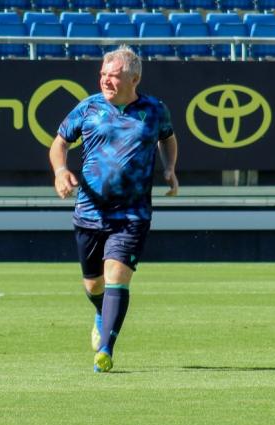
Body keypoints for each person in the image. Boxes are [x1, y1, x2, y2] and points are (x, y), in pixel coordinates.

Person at [48, 45, 179, 373]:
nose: (106, 80)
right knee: (93, 285)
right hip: (90, 211)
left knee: (117, 276)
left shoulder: (154, 110)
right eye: (103, 74)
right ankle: (100, 312)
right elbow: (59, 142)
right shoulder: (88, 108)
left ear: (134, 79)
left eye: (114, 75)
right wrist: (60, 171)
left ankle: (105, 348)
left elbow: (168, 138)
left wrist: (169, 168)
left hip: (132, 214)